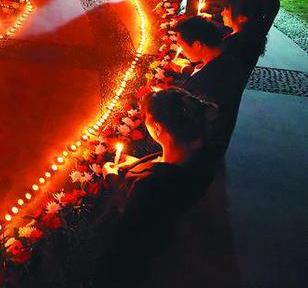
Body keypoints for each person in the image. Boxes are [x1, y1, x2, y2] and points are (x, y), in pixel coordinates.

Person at [91, 87, 217, 288]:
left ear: (157, 128)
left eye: (147, 118)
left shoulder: (150, 187)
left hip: (125, 266)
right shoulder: (200, 158)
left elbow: (124, 226)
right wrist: (138, 164)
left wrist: (112, 180)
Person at [176, 16, 251, 162]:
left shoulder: (208, 81)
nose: (181, 50)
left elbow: (189, 120)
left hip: (200, 154)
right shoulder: (226, 55)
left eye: (181, 44)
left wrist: (164, 96)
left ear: (198, 45)